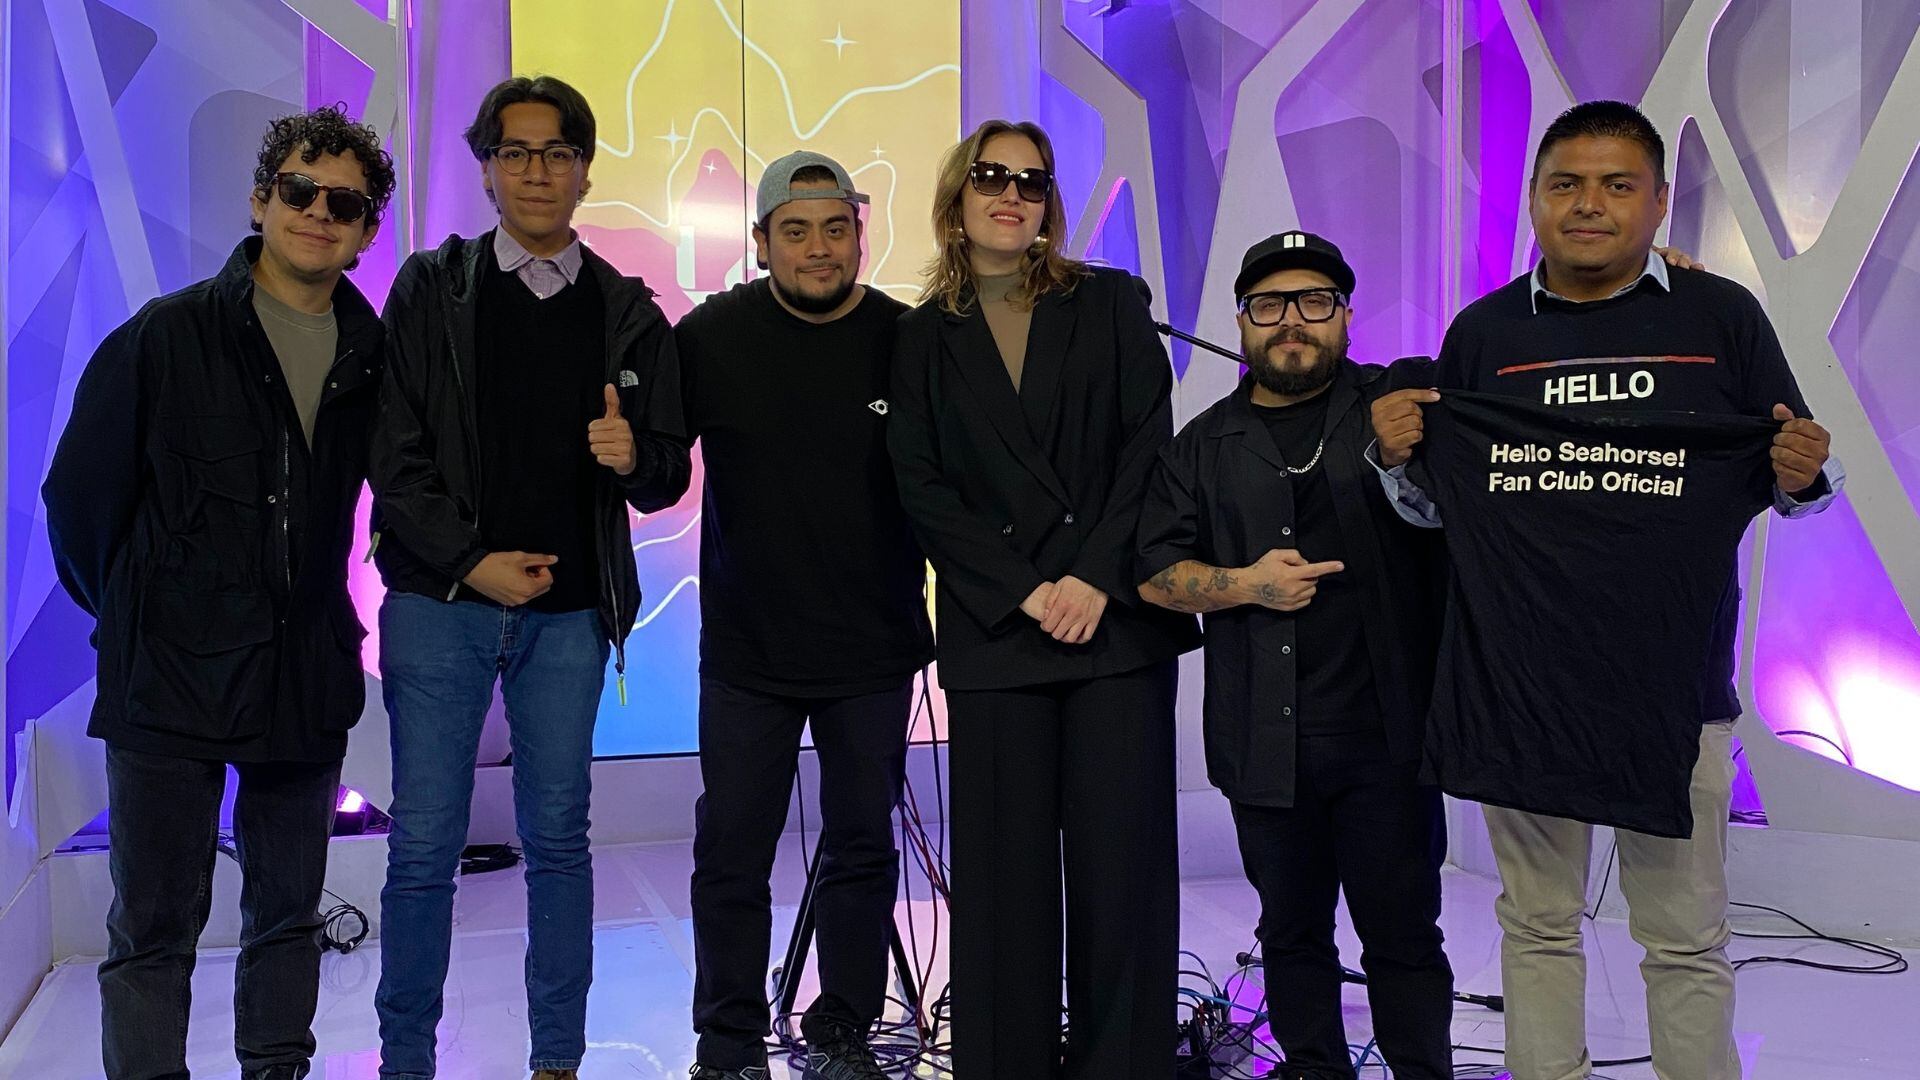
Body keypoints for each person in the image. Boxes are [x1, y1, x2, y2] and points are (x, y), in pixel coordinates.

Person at [1369, 100, 1840, 1080]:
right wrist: (1396, 458)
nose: (1589, 204)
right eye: (1566, 184)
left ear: (1658, 202)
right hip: (1519, 690)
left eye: (1617, 185)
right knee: (1537, 926)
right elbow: (1443, 507)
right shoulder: (1485, 333)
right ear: (1534, 200)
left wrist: (1801, 475)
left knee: (1686, 938)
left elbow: (1788, 476)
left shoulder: (1720, 319)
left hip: (1676, 695)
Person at [43, 105, 394, 1080]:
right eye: (299, 189)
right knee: (153, 929)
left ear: (366, 230)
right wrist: (141, 616)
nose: (317, 212)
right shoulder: (164, 337)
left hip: (304, 676)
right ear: (260, 199)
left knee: (287, 919)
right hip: (166, 683)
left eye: (343, 203)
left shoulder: (374, 359)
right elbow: (79, 503)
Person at [368, 75, 689, 1080]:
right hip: (441, 603)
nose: (537, 171)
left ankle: (556, 1061)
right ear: (487, 169)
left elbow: (667, 474)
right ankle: (405, 1064)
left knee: (559, 843)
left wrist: (634, 457)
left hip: (570, 615)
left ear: (585, 170)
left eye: (557, 153)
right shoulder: (433, 287)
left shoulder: (627, 311)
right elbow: (393, 455)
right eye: (515, 152)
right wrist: (472, 561)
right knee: (425, 846)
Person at [887, 118, 1202, 1079]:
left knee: (1122, 877)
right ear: (957, 198)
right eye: (992, 177)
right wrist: (1026, 590)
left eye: (1032, 181)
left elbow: (1148, 450)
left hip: (1114, 625)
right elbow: (920, 486)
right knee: (1004, 886)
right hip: (999, 631)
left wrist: (1093, 576)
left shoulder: (1108, 302)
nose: (1012, 194)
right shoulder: (918, 337)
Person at [1136, 231, 1454, 1080]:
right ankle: (1314, 1068)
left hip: (1386, 740)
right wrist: (1248, 585)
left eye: (1315, 301)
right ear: (1243, 323)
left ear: (1345, 316)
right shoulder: (1204, 443)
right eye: (1269, 304)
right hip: (1263, 740)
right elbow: (1155, 573)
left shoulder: (1396, 406)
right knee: (1290, 932)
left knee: (1404, 936)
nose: (1292, 321)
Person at [675, 151, 935, 1080]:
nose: (818, 248)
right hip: (747, 650)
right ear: (761, 242)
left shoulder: (908, 339)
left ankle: (842, 1030)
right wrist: (627, 456)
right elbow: (659, 474)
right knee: (731, 853)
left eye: (835, 229)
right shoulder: (710, 336)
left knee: (862, 846)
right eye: (796, 231)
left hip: (872, 647)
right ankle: (728, 1045)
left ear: (861, 236)